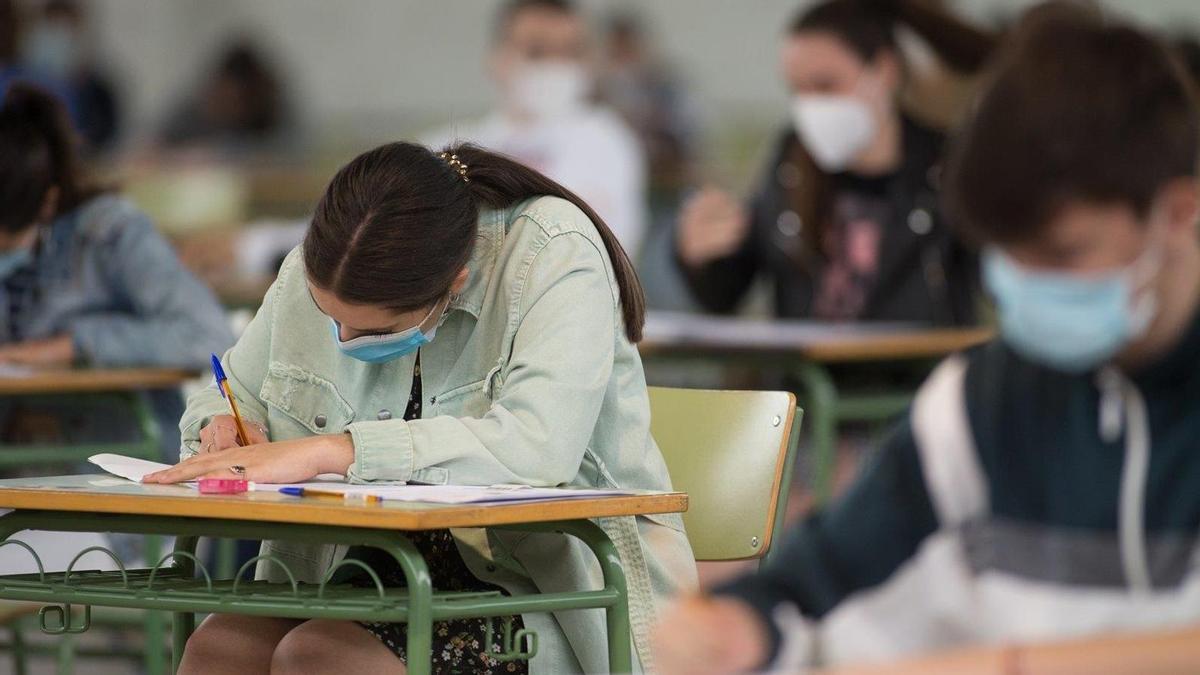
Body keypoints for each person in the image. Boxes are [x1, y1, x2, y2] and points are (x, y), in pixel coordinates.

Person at [653, 6, 1200, 673]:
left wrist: (1007, 664)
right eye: (1007, 256)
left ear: (1177, 214)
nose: (1026, 283)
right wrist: (743, 624)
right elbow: (821, 574)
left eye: (1062, 253)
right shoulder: (974, 406)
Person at [144, 141, 696, 674]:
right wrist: (222, 427)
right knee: (221, 647)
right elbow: (231, 389)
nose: (341, 336)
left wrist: (333, 451)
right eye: (326, 313)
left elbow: (538, 447)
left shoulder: (550, 250)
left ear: (454, 282)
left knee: (319, 657)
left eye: (375, 329)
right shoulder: (329, 261)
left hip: (538, 588)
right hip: (358, 568)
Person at [675, 0, 993, 324]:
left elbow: (997, 279)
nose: (810, 106)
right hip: (806, 374)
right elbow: (727, 291)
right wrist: (700, 255)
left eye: (825, 85)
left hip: (919, 372)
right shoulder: (791, 164)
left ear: (884, 71)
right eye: (797, 89)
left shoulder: (947, 171)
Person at [0, 83, 233, 455]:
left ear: (47, 203)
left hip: (110, 451)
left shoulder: (111, 234)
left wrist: (78, 344)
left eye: (8, 243)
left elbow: (208, 335)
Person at [423, 0, 648, 255]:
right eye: (536, 51)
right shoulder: (443, 147)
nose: (556, 64)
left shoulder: (606, 140)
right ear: (497, 58)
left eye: (571, 51)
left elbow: (594, 249)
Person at [158, 38, 291, 156]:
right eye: (223, 97)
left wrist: (216, 153)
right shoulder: (192, 109)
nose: (226, 103)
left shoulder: (275, 116)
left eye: (234, 101)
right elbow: (155, 143)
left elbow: (285, 152)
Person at [22, 0, 121, 152]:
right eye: (51, 30)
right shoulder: (17, 88)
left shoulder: (99, 93)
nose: (56, 42)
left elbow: (103, 141)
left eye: (63, 32)